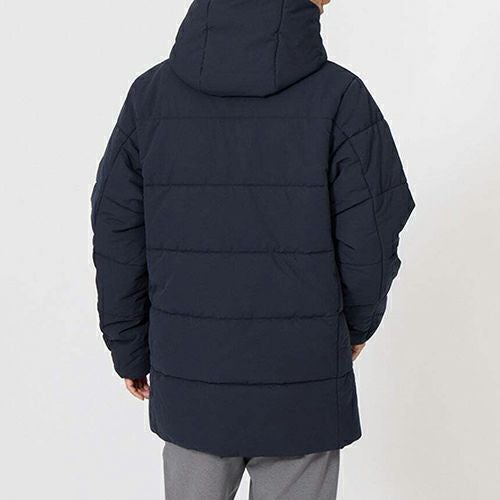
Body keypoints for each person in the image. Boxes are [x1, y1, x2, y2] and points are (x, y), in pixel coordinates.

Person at [91, 0, 414, 498]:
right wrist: (353, 325)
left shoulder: (150, 97)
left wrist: (129, 345)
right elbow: (372, 230)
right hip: (302, 374)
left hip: (192, 375)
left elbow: (117, 230)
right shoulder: (341, 97)